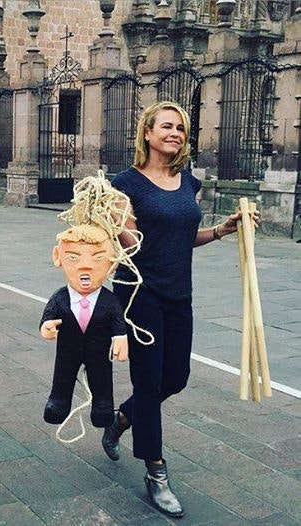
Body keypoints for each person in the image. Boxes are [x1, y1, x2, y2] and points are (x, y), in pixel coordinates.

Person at [101, 101, 259, 519]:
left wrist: (222, 230)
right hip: (138, 294)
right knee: (149, 381)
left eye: (181, 129)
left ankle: (121, 419)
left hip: (177, 292)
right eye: (167, 126)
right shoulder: (125, 184)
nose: (175, 133)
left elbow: (182, 237)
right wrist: (115, 222)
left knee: (176, 377)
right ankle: (156, 472)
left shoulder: (189, 182)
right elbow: (133, 244)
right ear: (148, 133)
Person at [40, 224, 129, 432]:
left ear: (113, 261)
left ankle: (103, 408)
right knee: (63, 375)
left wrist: (120, 338)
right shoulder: (60, 298)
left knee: (102, 377)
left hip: (99, 350)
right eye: (73, 257)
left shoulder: (109, 300)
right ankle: (58, 403)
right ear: (58, 257)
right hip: (68, 349)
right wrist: (46, 327)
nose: (85, 266)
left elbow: (118, 321)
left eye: (98, 258)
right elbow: (47, 317)